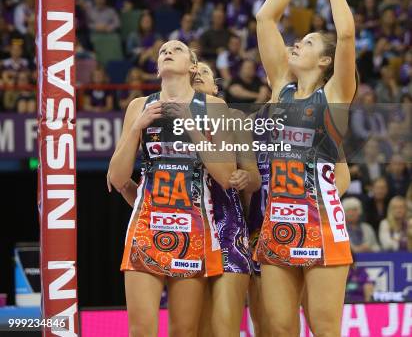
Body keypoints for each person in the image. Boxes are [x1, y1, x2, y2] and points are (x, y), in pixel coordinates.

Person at [255, 0, 356, 337]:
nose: (297, 43)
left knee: (324, 328)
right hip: (276, 221)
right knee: (279, 328)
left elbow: (346, 36)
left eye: (308, 42)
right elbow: (265, 20)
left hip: (323, 224)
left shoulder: (334, 95)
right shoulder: (280, 86)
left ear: (325, 61)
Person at [107, 40, 236, 337]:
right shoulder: (140, 106)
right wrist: (137, 128)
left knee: (184, 331)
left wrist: (190, 124)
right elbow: (116, 177)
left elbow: (226, 176)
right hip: (146, 228)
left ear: (192, 66)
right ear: (157, 67)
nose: (167, 51)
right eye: (163, 50)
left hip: (194, 230)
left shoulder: (214, 107)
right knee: (140, 330)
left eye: (177, 49)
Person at [247, 51, 352, 337]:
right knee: (272, 325)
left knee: (320, 321)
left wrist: (312, 202)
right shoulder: (248, 124)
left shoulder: (317, 119)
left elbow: (341, 176)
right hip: (264, 226)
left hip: (312, 224)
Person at [194, 61, 261, 337]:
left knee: (225, 328)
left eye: (205, 72)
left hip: (227, 228)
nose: (197, 74)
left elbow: (254, 177)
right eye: (193, 72)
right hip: (187, 228)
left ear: (215, 88)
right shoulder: (166, 117)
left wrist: (245, 178)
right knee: (196, 328)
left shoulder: (232, 117)